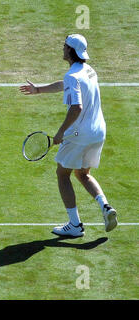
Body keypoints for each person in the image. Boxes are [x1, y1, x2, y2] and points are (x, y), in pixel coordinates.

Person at [19, 34, 117, 237]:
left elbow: (76, 107)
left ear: (71, 51)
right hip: (98, 132)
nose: (62, 48)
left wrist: (60, 132)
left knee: (63, 174)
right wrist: (38, 90)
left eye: (65, 46)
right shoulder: (88, 71)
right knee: (83, 174)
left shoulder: (72, 76)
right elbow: (65, 84)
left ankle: (75, 225)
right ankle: (106, 207)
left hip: (79, 134)